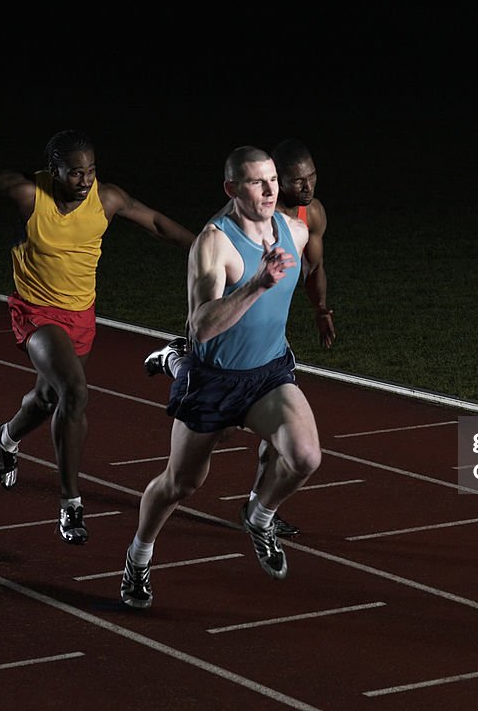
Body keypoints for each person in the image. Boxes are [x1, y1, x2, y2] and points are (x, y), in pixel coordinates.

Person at [0, 130, 196, 545]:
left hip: (81, 314)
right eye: (75, 173)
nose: (85, 181)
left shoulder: (107, 199)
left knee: (48, 399)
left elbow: (156, 223)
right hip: (35, 311)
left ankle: (6, 436)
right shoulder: (29, 193)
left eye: (91, 171)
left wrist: (212, 247)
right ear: (54, 171)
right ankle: (70, 504)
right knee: (75, 391)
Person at [121, 145, 322, 608]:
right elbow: (200, 325)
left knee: (306, 456)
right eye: (257, 181)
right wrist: (257, 284)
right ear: (232, 189)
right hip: (213, 378)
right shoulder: (214, 243)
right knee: (181, 484)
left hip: (268, 373)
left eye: (273, 178)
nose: (271, 189)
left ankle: (259, 514)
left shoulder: (294, 229)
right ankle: (139, 555)